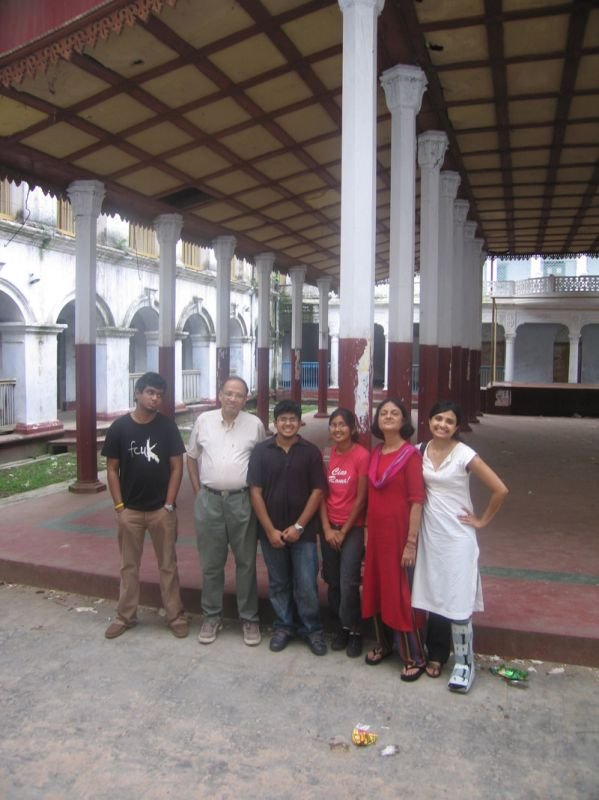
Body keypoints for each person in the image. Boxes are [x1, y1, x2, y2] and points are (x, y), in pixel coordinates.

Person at [412, 400, 508, 693]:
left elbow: (500, 489)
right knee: (434, 593)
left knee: (458, 597)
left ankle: (465, 664)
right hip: (430, 535)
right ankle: (436, 654)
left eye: (449, 421)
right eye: (438, 418)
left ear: (456, 427)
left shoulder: (464, 454)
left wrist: (481, 521)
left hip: (457, 538)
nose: (442, 425)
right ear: (429, 421)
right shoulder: (419, 451)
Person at [102, 371, 188, 640]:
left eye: (160, 395)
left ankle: (175, 616)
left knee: (168, 565)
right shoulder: (119, 428)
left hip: (162, 512)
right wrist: (119, 507)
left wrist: (169, 504)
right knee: (128, 566)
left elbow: (177, 467)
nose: (155, 399)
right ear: (138, 393)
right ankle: (125, 616)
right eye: (150, 393)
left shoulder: (167, 427)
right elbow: (112, 469)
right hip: (131, 512)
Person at [187, 376, 266, 646]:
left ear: (246, 399)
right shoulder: (203, 422)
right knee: (211, 563)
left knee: (246, 562)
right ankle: (211, 616)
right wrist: (198, 493)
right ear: (220, 395)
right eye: (229, 393)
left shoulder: (255, 424)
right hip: (209, 501)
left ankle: (249, 619)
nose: (233, 399)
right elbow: (192, 456)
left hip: (242, 501)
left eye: (239, 395)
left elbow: (260, 461)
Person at [248, 400, 328, 655]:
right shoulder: (261, 451)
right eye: (282, 419)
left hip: (303, 533)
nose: (288, 423)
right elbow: (255, 492)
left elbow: (318, 491)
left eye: (293, 419)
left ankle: (312, 629)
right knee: (279, 583)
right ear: (275, 423)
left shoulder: (311, 452)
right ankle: (284, 626)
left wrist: (299, 526)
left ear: (300, 422)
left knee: (306, 583)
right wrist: (270, 530)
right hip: (271, 532)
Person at [361, 398, 427, 681]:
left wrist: (411, 543)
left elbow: (417, 502)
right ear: (377, 421)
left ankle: (415, 656)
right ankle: (384, 644)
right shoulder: (375, 453)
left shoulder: (411, 456)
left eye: (394, 413)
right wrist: (366, 535)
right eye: (383, 413)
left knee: (401, 593)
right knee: (375, 588)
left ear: (403, 421)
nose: (388, 416)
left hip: (399, 536)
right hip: (376, 537)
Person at [319, 408, 369, 658]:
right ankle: (340, 627)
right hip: (329, 528)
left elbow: (361, 499)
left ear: (353, 429)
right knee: (333, 581)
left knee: (349, 582)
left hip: (352, 529)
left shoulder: (362, 456)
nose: (337, 429)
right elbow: (320, 495)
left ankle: (355, 630)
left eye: (342, 425)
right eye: (333, 425)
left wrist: (343, 530)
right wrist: (327, 528)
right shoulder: (326, 455)